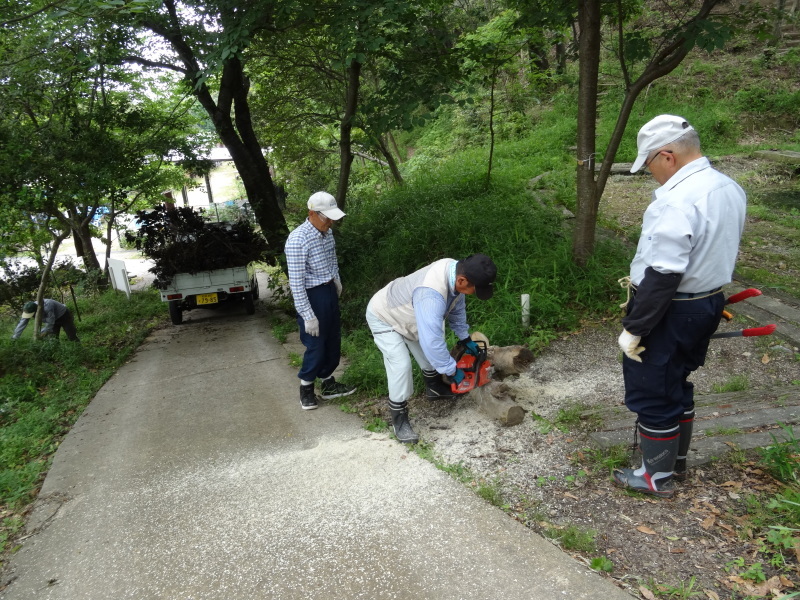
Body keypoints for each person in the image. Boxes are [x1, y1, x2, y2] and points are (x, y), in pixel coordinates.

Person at [613, 114, 747, 497]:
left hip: (670, 308)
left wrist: (635, 327)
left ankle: (654, 476)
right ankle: (676, 464)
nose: (652, 173)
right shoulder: (727, 187)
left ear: (667, 156)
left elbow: (664, 273)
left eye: (650, 163)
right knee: (677, 380)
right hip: (706, 302)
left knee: (651, 388)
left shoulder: (677, 200)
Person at [366, 254, 497, 444]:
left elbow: (456, 306)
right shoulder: (431, 295)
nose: (473, 294)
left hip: (411, 313)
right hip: (384, 315)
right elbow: (433, 342)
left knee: (431, 355)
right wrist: (452, 370)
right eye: (474, 289)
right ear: (462, 280)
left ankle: (435, 388)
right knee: (401, 365)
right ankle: (399, 417)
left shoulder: (455, 270)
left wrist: (464, 337)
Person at [285, 191, 356, 410]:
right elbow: (296, 283)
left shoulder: (327, 233)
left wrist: (337, 282)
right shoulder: (297, 240)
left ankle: (328, 383)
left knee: (333, 340)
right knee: (315, 343)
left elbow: (332, 260)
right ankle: (306, 389)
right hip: (311, 295)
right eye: (327, 217)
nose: (331, 222)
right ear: (312, 214)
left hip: (328, 291)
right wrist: (308, 315)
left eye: (333, 217)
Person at [11, 299, 80, 341]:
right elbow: (22, 323)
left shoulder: (47, 307)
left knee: (71, 334)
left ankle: (78, 349)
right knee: (53, 338)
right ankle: (56, 352)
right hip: (53, 319)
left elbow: (50, 323)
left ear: (37, 311)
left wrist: (42, 333)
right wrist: (15, 336)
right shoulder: (28, 309)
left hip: (64, 315)